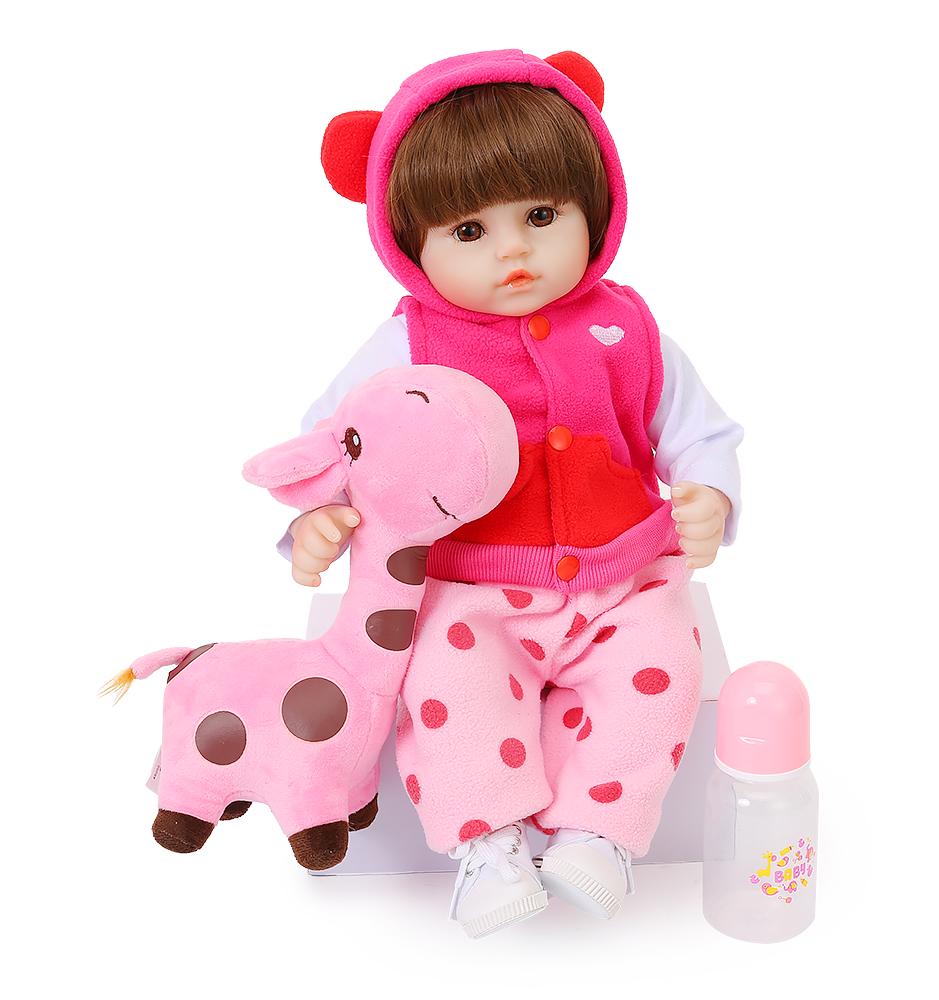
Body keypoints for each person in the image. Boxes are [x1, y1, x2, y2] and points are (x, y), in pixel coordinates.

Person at [278, 49, 743, 938]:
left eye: (540, 214)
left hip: (623, 578)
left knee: (662, 672)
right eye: (469, 230)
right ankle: (486, 845)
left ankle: (599, 835)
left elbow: (700, 431)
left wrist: (708, 495)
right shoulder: (407, 347)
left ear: (593, 204)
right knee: (448, 682)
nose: (515, 250)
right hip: (470, 587)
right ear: (409, 245)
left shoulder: (627, 328)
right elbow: (333, 441)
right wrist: (320, 516)